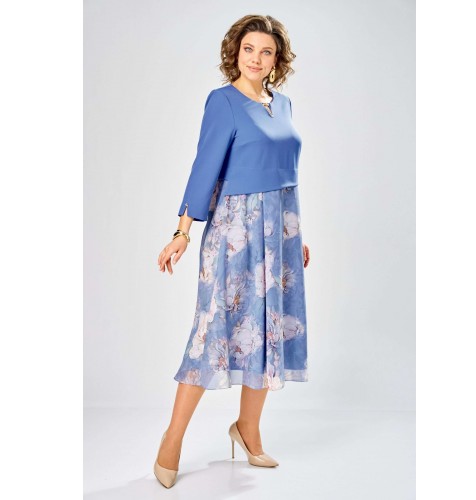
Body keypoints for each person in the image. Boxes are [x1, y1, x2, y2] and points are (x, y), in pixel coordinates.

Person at [154, 14, 310, 489]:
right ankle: (172, 439)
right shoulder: (222, 102)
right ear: (235, 53)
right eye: (248, 49)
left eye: (266, 51)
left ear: (277, 59)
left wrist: (293, 234)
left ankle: (248, 430)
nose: (256, 59)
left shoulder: (283, 104)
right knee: (212, 333)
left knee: (267, 331)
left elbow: (283, 174)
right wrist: (181, 232)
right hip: (234, 232)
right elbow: (204, 168)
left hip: (279, 234)